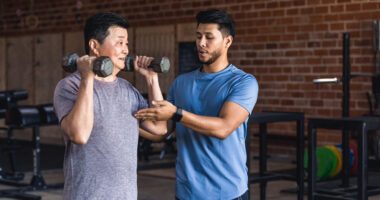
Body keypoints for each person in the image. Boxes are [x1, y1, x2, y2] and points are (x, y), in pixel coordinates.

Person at [135, 9, 258, 200]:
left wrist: (176, 113)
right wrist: (152, 80)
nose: (201, 43)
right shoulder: (182, 82)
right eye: (198, 36)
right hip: (187, 192)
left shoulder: (243, 82)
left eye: (209, 37)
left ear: (228, 41)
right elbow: (161, 131)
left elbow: (223, 128)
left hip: (227, 192)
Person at [53, 12, 167, 200]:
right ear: (94, 46)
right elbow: (79, 135)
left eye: (127, 44)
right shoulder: (69, 86)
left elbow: (158, 129)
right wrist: (87, 77)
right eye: (119, 42)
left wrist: (152, 80)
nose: (125, 50)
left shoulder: (128, 90)